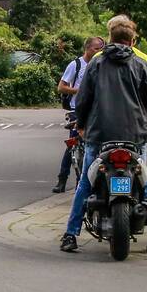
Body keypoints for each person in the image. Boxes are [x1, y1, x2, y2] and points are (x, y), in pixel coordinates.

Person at [60, 15, 147, 254]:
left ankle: (71, 234)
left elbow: (83, 98)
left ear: (110, 38)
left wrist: (82, 124)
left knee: (87, 182)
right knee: (143, 181)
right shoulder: (141, 64)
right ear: (132, 40)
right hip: (134, 135)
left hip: (99, 134)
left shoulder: (96, 62)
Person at [53, 36, 105, 193]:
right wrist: (79, 91)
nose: (99, 52)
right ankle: (62, 179)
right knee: (73, 144)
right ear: (87, 48)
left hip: (96, 110)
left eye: (101, 49)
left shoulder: (101, 65)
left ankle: (81, 182)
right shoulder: (76, 65)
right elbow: (61, 87)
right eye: (96, 48)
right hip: (77, 110)